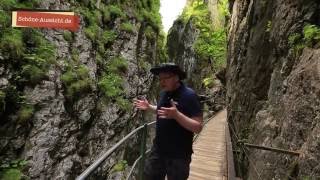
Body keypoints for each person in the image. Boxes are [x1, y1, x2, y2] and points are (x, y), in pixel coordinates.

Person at [133, 62, 203, 180]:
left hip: (179, 155)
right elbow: (163, 111)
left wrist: (177, 115)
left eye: (166, 78)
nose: (162, 82)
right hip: (158, 150)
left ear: (176, 77)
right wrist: (149, 107)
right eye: (160, 78)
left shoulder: (189, 95)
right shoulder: (164, 93)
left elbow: (198, 127)